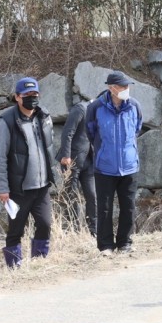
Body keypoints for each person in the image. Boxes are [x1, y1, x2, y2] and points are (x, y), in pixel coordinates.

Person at [0, 77, 56, 268]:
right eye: (27, 95)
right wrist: (3, 188)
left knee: (45, 224)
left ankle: (38, 264)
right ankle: (14, 267)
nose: (32, 98)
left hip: (42, 186)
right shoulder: (7, 121)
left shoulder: (44, 117)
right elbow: (0, 158)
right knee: (15, 230)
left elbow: (49, 147)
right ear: (17, 97)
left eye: (35, 94)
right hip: (18, 189)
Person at [86, 71, 144, 255]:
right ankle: (105, 246)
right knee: (104, 208)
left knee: (128, 207)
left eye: (128, 86)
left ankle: (125, 243)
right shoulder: (95, 107)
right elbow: (91, 132)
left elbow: (137, 128)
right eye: (122, 87)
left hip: (129, 166)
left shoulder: (134, 106)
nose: (126, 90)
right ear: (111, 88)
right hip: (104, 167)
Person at [56, 99, 96, 238]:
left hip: (89, 161)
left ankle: (94, 231)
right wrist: (66, 156)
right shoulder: (80, 109)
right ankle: (74, 230)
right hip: (71, 161)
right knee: (71, 196)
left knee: (92, 195)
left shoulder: (98, 112)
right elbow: (67, 132)